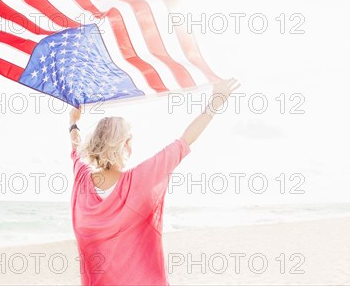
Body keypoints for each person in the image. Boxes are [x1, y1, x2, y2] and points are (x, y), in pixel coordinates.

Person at [68, 78, 240, 286]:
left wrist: (73, 121)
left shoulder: (82, 179)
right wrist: (216, 102)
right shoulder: (139, 179)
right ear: (125, 144)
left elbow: (76, 148)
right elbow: (184, 141)